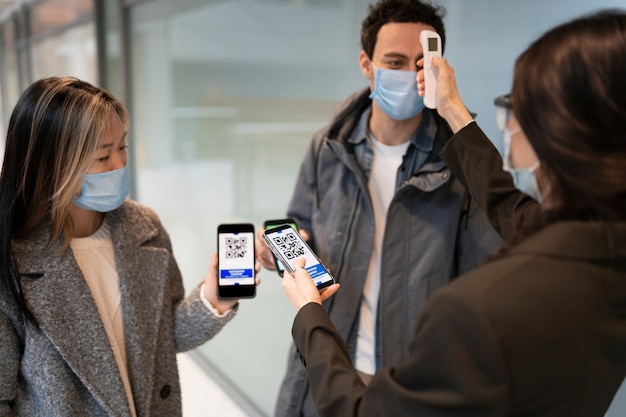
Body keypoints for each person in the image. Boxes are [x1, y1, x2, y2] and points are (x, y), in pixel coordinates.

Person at [280, 9, 626, 417]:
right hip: (330, 371)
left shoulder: (471, 311)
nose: (508, 123)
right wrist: (455, 111)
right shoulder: (607, 250)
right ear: (366, 64)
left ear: (560, 132)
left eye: (517, 106)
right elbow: (510, 207)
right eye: (395, 61)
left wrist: (308, 315)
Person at [256, 1, 503, 415]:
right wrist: (278, 250)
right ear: (366, 64)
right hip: (325, 364)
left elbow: (485, 283)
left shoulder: (462, 162)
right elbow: (299, 223)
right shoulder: (328, 145)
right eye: (394, 61)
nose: (410, 74)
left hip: (413, 386)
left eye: (421, 62)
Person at [0, 76, 258, 416]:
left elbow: (164, 340)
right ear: (52, 165)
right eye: (102, 156)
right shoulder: (13, 262)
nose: (120, 165)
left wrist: (214, 299)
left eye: (122, 147)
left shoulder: (144, 227)